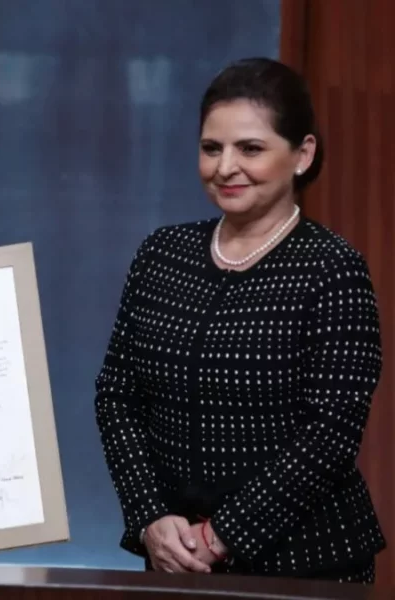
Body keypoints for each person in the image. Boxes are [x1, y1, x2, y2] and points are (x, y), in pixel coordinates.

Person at [94, 57, 384, 583]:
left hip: (307, 568)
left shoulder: (333, 269)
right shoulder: (162, 255)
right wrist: (150, 519)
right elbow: (117, 397)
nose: (226, 166)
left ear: (302, 154)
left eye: (250, 148)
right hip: (174, 561)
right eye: (211, 148)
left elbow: (332, 432)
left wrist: (222, 535)